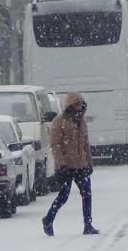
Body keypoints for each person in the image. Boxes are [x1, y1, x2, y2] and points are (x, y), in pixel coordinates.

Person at [42, 92, 98, 236]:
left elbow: (85, 144)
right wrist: (61, 164)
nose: (79, 107)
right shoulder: (59, 121)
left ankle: (88, 224)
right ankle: (48, 219)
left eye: (81, 104)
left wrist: (89, 163)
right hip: (66, 166)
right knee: (63, 196)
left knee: (87, 194)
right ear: (70, 106)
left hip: (82, 165)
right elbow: (55, 145)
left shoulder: (82, 122)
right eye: (76, 104)